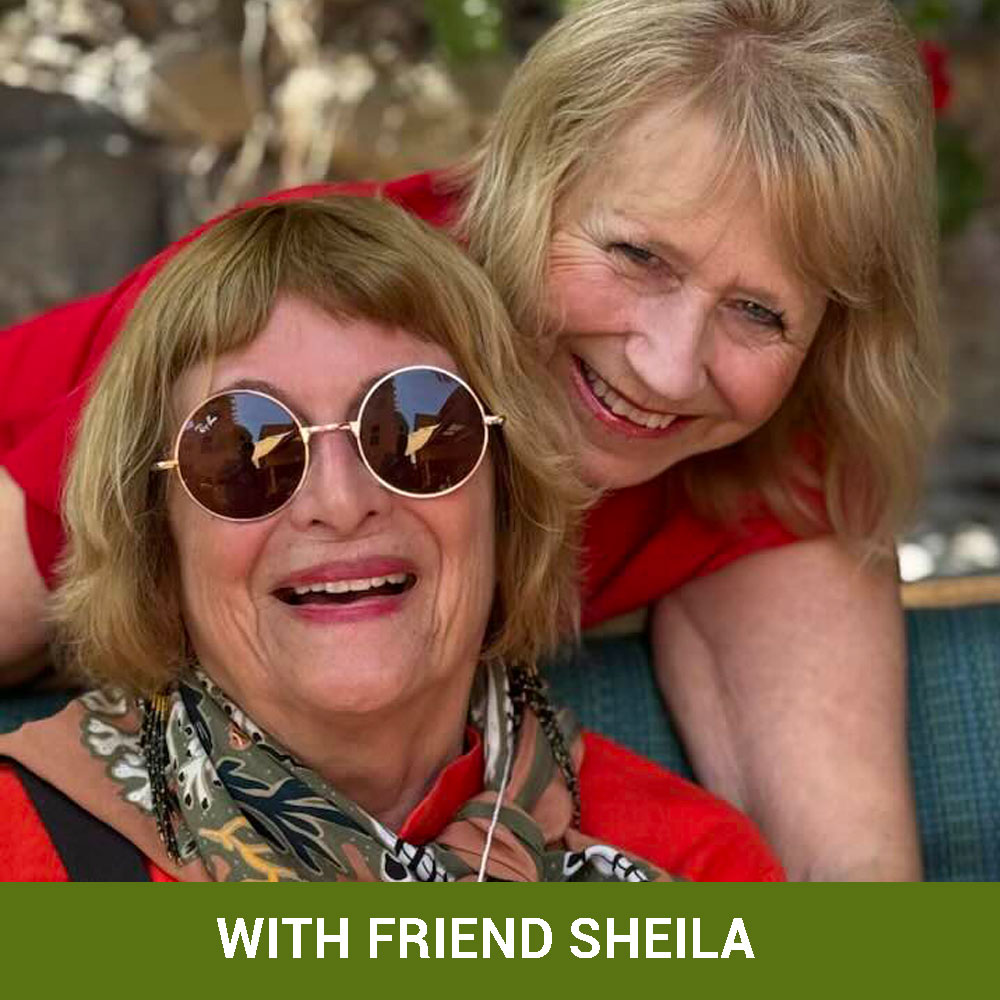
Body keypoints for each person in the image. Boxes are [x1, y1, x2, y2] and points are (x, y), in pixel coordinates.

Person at [0, 0, 942, 880]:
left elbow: (854, 915)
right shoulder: (283, 339)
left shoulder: (772, 458)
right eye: (637, 256)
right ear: (523, 184)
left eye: (758, 311)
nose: (666, 367)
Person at [0, 196, 784, 882]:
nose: (341, 504)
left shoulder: (696, 864)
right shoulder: (26, 849)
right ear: (158, 538)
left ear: (507, 497)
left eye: (415, 430)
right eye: (244, 454)